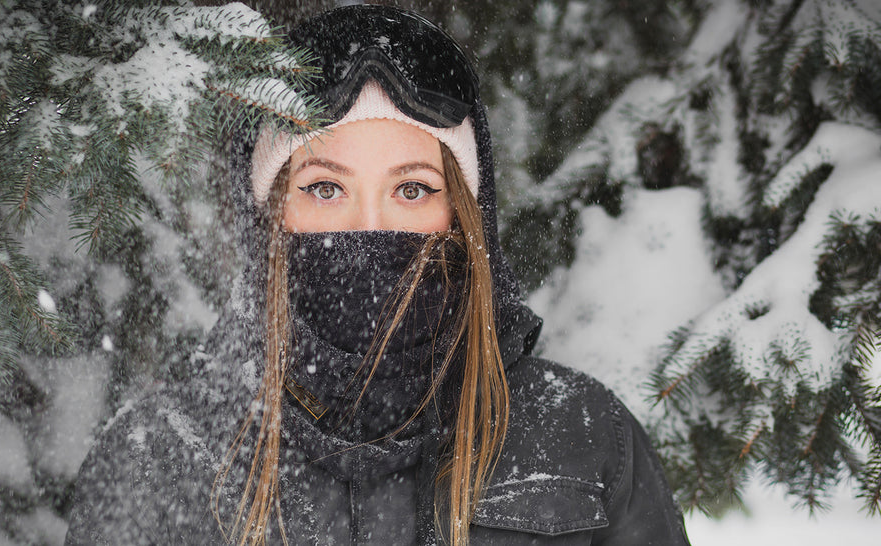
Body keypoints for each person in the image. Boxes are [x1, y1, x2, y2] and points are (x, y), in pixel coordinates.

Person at [65, 5, 690, 545]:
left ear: (465, 215)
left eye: (413, 189)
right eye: (325, 187)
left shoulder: (580, 437)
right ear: (267, 216)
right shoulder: (162, 455)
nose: (369, 227)